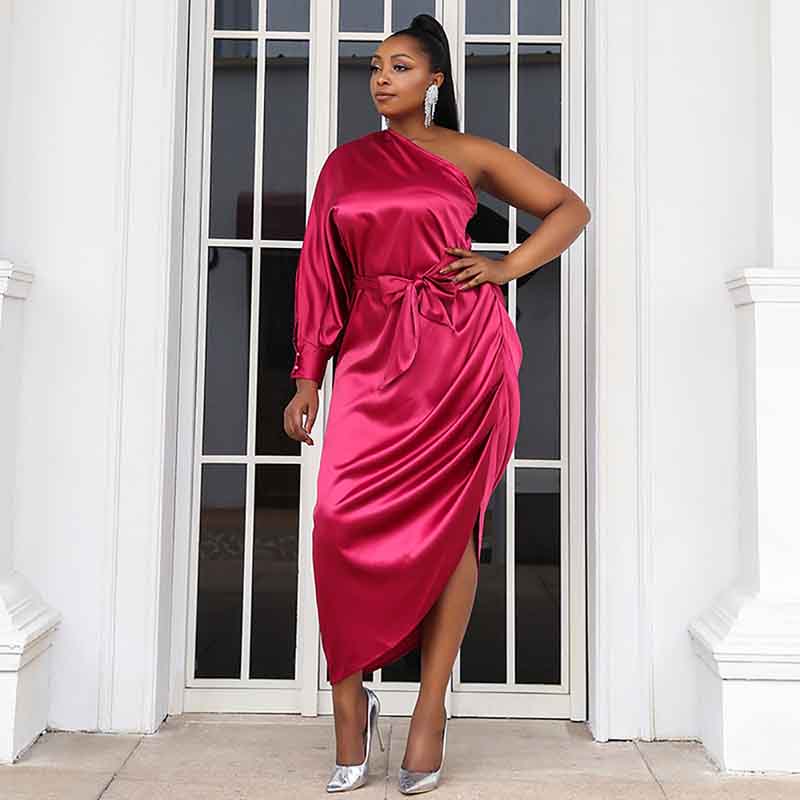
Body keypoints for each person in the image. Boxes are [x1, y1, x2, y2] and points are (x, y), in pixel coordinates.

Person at [283, 13, 590, 795]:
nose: (382, 78)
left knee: (453, 529)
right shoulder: (345, 165)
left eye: (401, 66)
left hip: (459, 355)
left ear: (434, 80)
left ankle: (428, 709)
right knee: (335, 523)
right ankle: (349, 700)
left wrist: (504, 265)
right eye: (375, 66)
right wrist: (308, 375)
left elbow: (569, 209)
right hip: (372, 357)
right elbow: (321, 271)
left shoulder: (468, 153)